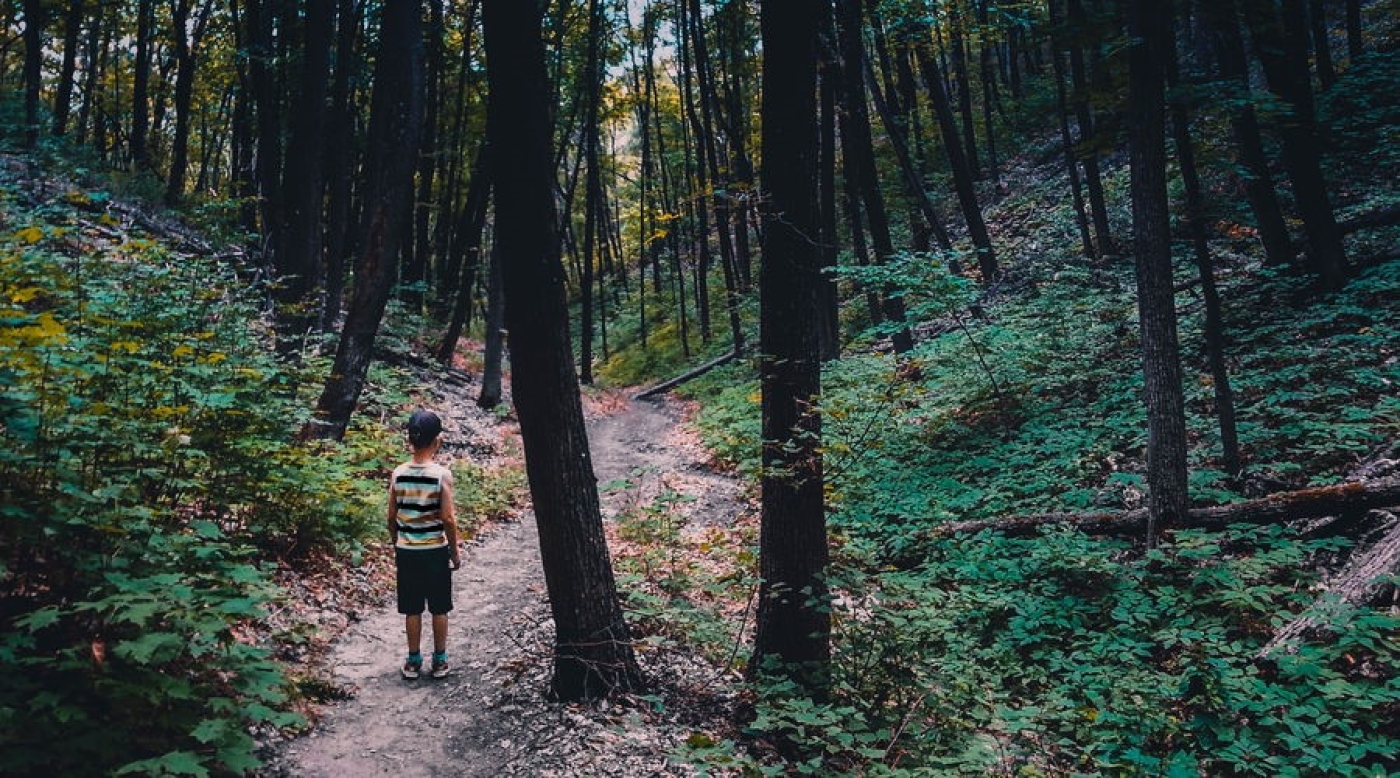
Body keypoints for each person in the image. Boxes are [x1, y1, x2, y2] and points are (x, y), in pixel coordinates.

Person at [388, 409, 460, 679]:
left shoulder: (398, 474)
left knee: (412, 607)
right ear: (437, 441)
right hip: (434, 551)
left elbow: (391, 516)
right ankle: (440, 660)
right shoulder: (441, 475)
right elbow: (448, 518)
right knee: (439, 607)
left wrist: (397, 542)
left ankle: (413, 660)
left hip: (407, 551)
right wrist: (454, 553)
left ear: (411, 440)